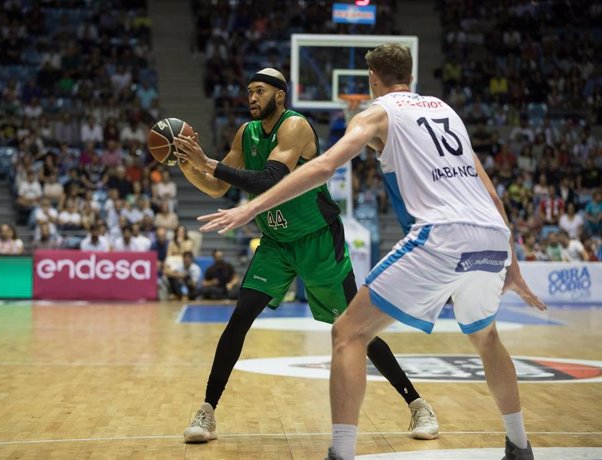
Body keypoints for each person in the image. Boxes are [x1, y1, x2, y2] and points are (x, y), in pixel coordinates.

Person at [196, 46, 546, 460]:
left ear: (372, 77)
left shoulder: (375, 113)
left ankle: (344, 452)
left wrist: (252, 207)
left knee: (347, 332)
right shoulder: (446, 112)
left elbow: (324, 168)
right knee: (486, 338)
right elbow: (489, 190)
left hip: (429, 234)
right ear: (410, 74)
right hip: (490, 235)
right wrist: (513, 261)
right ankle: (519, 445)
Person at [174, 67, 440, 444]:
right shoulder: (245, 134)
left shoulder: (294, 127)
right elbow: (217, 187)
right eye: (249, 91)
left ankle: (417, 405)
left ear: (279, 95)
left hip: (317, 242)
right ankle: (207, 412)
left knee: (357, 332)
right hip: (276, 244)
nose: (252, 97)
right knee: (239, 319)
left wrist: (209, 162)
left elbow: (270, 180)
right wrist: (190, 165)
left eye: (260, 91)